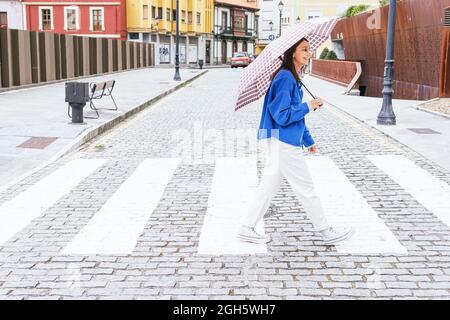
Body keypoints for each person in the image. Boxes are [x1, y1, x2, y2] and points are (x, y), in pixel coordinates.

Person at [238, 37, 355, 245]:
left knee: (269, 186)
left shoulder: (293, 77)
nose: (308, 53)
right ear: (292, 52)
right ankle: (326, 231)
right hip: (283, 142)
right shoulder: (285, 78)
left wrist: (308, 140)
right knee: (305, 187)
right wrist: (309, 106)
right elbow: (282, 115)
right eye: (304, 49)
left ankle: (246, 227)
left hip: (280, 140)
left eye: (309, 49)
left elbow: (294, 115)